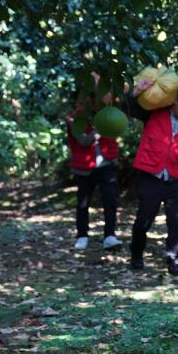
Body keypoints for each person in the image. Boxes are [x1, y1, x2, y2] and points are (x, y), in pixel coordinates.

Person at [126, 81, 178, 276]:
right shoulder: (154, 113)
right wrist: (135, 92)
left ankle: (174, 261)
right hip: (151, 176)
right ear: (175, 102)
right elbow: (128, 108)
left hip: (176, 180)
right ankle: (136, 254)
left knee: (176, 222)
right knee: (144, 219)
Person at [66, 90, 121, 251]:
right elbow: (83, 140)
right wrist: (100, 128)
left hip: (107, 164)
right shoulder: (73, 119)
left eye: (87, 102)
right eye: (80, 102)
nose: (84, 105)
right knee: (83, 203)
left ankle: (110, 236)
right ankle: (82, 236)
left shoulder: (104, 114)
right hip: (84, 168)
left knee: (110, 200)